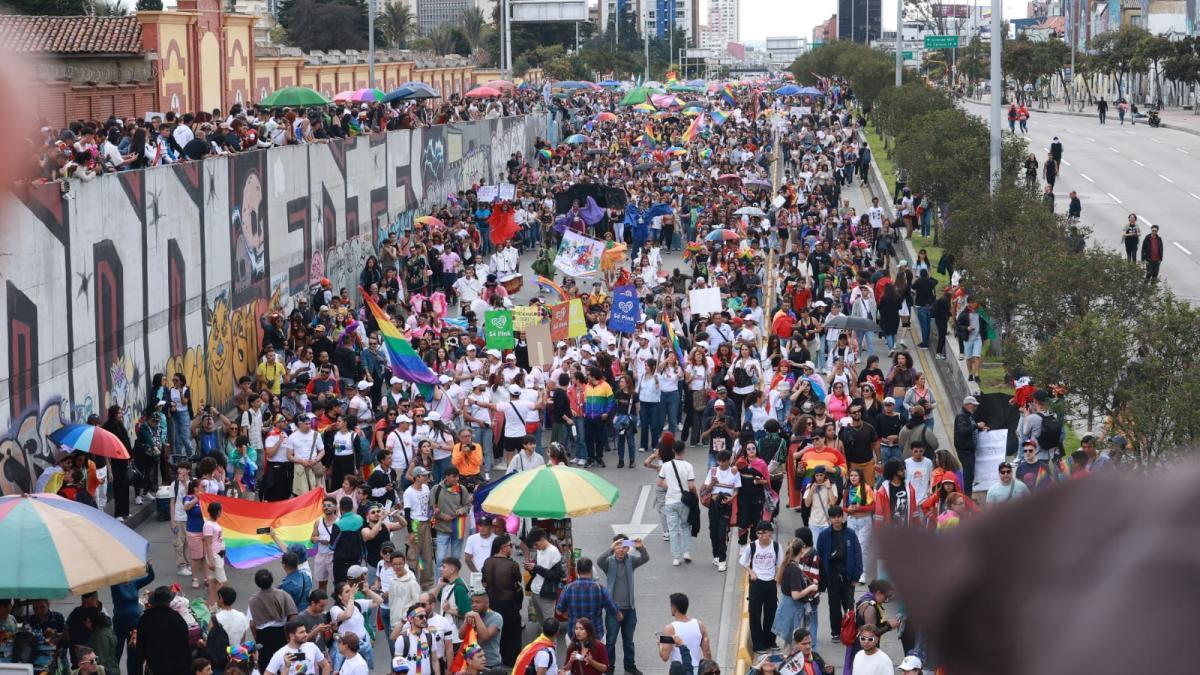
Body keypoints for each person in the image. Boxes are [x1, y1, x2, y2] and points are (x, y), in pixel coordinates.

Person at [596, 535, 648, 675]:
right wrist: (610, 549)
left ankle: (629, 665)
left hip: (630, 609)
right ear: (614, 547)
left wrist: (640, 547)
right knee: (611, 641)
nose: (621, 550)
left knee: (629, 641)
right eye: (618, 546)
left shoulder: (631, 560)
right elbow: (599, 561)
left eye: (624, 546)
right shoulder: (609, 562)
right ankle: (609, 667)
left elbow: (645, 558)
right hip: (613, 610)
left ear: (628, 548)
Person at [815, 506, 862, 642]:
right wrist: (822, 578)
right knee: (834, 606)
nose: (836, 519)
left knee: (849, 605)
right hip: (831, 577)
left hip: (847, 576)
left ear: (843, 517)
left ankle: (849, 630)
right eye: (833, 517)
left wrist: (856, 576)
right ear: (830, 519)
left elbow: (857, 554)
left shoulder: (850, 534)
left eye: (838, 516)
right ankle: (835, 632)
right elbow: (819, 557)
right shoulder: (824, 535)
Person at [771, 531, 820, 651]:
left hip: (788, 608)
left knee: (791, 646)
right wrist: (811, 587)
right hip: (793, 610)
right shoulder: (794, 569)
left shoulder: (789, 566)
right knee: (793, 648)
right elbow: (796, 595)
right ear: (802, 550)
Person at [555, 557, 621, 643]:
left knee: (574, 656)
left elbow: (559, 611)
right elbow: (613, 610)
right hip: (595, 635)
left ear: (577, 571)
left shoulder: (568, 588)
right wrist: (619, 615)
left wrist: (566, 614)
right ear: (591, 571)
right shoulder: (600, 589)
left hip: (574, 636)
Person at [481, 534, 524, 665]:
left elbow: (484, 583)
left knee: (497, 635)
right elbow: (517, 584)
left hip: (492, 605)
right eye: (510, 545)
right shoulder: (512, 565)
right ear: (503, 548)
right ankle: (511, 662)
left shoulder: (487, 562)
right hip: (509, 606)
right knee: (512, 636)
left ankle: (496, 659)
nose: (511, 548)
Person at [739, 521, 780, 654]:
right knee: (755, 613)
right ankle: (758, 644)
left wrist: (777, 577)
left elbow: (780, 563)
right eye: (759, 533)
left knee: (771, 613)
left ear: (770, 533)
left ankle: (770, 640)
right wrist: (751, 573)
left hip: (770, 583)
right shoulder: (752, 547)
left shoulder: (776, 546)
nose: (762, 536)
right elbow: (743, 562)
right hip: (757, 583)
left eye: (765, 533)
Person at [657, 443, 697, 566]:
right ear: (684, 451)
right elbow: (691, 486)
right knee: (685, 526)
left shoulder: (666, 465)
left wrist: (670, 488)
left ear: (673, 450)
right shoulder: (688, 466)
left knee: (673, 530)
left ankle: (676, 558)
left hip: (670, 501)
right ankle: (686, 552)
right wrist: (695, 495)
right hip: (684, 501)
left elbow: (659, 482)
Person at [137, 587, 191, 675]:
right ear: (169, 602)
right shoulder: (177, 618)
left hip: (155, 667)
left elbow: (140, 648)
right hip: (176, 668)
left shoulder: (145, 619)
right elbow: (185, 647)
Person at [701, 450, 739, 571]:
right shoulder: (713, 471)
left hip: (726, 506)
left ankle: (722, 560)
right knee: (713, 531)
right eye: (719, 461)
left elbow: (737, 490)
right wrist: (712, 483)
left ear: (729, 460)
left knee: (722, 533)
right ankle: (716, 555)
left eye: (724, 461)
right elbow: (706, 490)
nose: (721, 463)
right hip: (713, 504)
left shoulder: (734, 472)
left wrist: (730, 500)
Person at [249, 569, 299, 660]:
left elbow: (252, 624)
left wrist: (256, 637)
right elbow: (293, 614)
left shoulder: (253, 600)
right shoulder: (283, 594)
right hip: (281, 632)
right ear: (271, 580)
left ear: (257, 583)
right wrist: (290, 632)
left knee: (265, 662)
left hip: (263, 634)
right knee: (284, 660)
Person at [431, 467, 473, 571]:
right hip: (442, 529)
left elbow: (468, 506)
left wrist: (462, 510)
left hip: (457, 529)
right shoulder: (437, 489)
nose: (457, 479)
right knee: (440, 559)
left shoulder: (462, 489)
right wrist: (441, 515)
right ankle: (439, 585)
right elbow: (430, 509)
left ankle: (453, 583)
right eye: (454, 477)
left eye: (458, 476)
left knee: (455, 559)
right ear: (446, 477)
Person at [658, 593, 711, 675]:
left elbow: (664, 657)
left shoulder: (670, 629)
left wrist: (660, 645)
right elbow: (707, 652)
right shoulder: (700, 625)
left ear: (674, 608)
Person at [525, 527, 566, 628]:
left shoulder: (554, 552)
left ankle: (551, 644)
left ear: (543, 539)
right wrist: (531, 568)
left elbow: (556, 575)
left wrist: (536, 568)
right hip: (535, 592)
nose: (535, 547)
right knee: (542, 625)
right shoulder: (539, 550)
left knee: (549, 626)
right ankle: (543, 643)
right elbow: (539, 570)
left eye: (536, 544)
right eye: (533, 545)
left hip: (546, 595)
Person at [263, 620, 329, 675]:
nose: (306, 634)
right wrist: (286, 667)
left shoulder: (311, 646)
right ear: (291, 636)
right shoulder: (280, 654)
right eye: (301, 632)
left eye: (305, 631)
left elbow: (326, 665)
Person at [393, 603, 441, 675]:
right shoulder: (402, 639)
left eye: (425, 616)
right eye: (421, 617)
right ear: (411, 619)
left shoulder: (430, 636)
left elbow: (434, 660)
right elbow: (397, 666)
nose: (424, 619)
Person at [460, 590, 504, 669]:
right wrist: (466, 620)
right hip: (471, 663)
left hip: (490, 664)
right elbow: (461, 636)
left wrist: (476, 617)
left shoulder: (496, 617)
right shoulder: (470, 615)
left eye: (477, 602)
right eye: (472, 602)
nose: (474, 605)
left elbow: (485, 636)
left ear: (487, 603)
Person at [953, 395, 987, 494]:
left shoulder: (968, 415)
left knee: (970, 474)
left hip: (969, 450)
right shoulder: (961, 416)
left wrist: (980, 428)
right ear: (968, 405)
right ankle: (967, 497)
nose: (976, 407)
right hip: (965, 451)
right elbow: (963, 431)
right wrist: (976, 425)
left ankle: (967, 495)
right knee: (968, 475)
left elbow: (969, 428)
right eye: (974, 405)